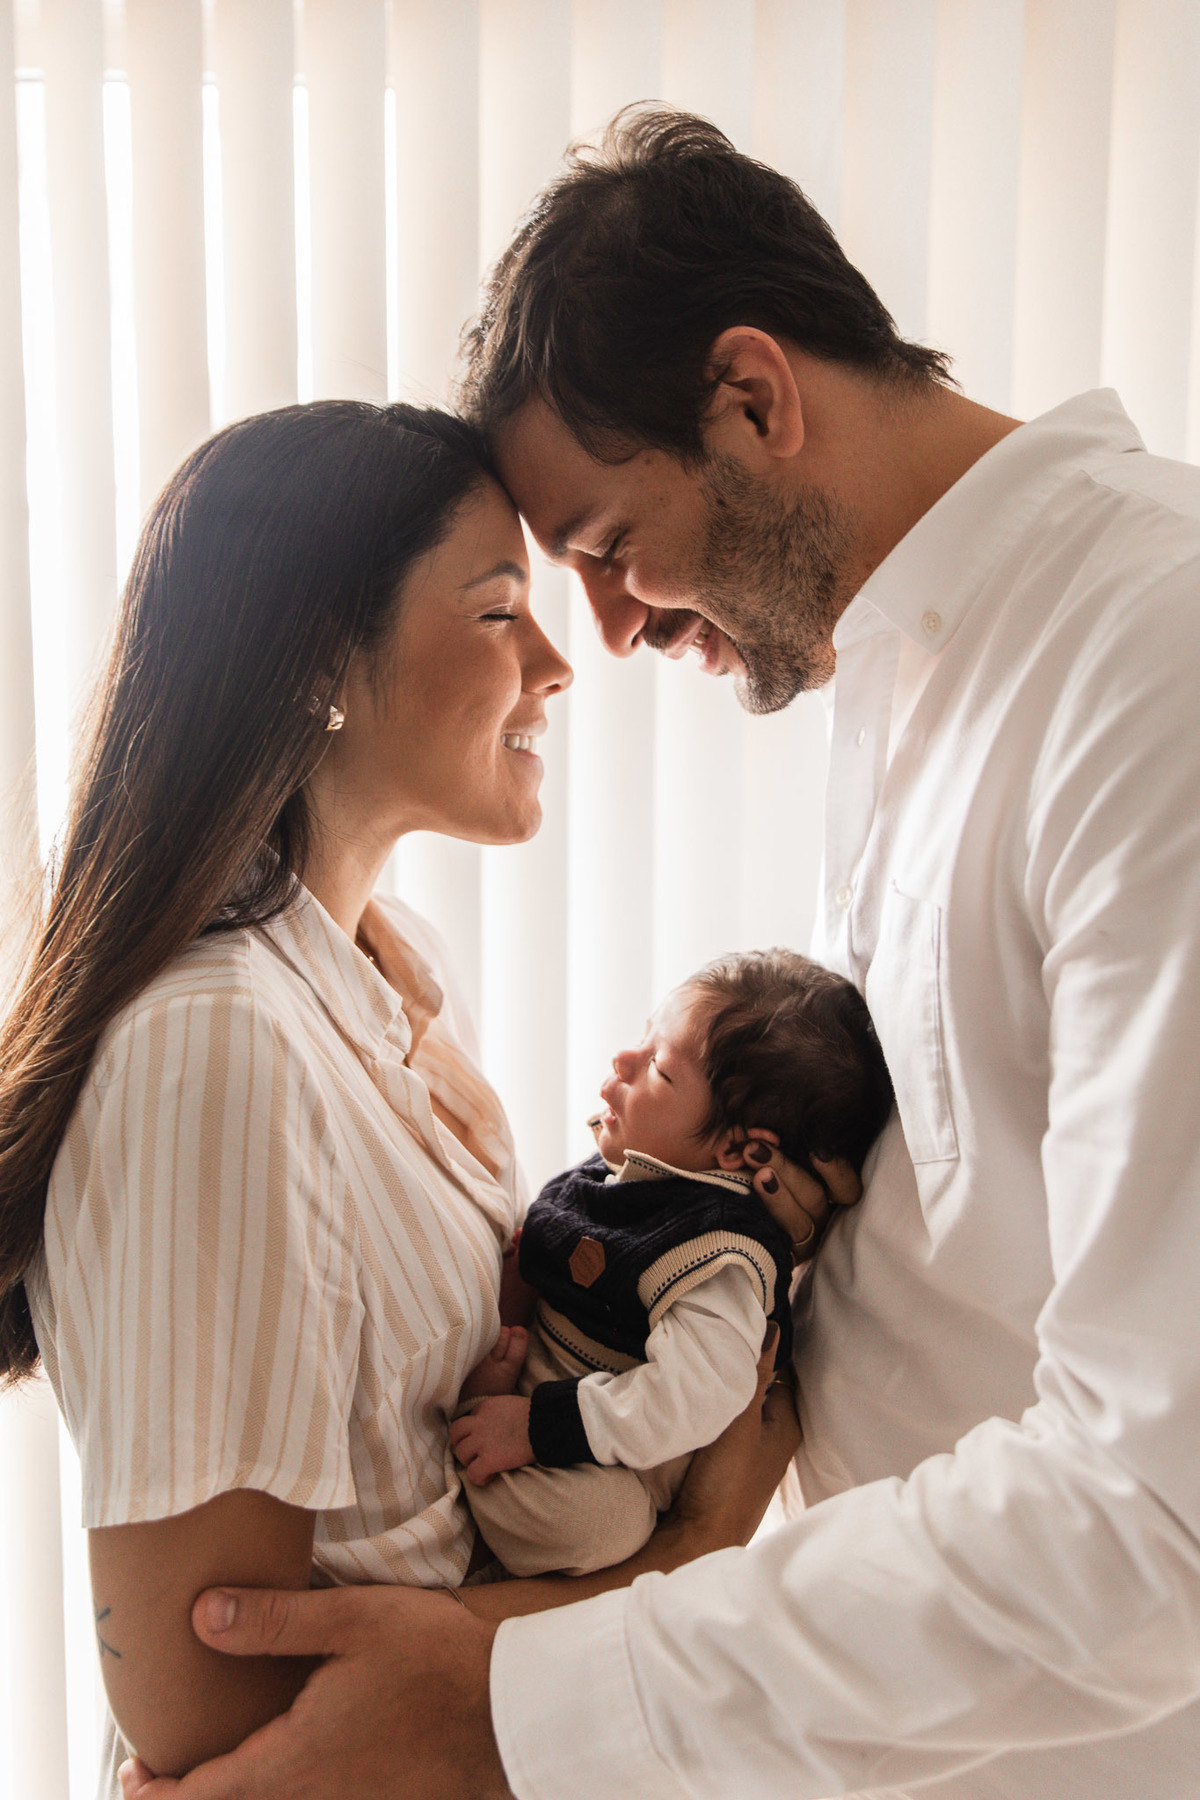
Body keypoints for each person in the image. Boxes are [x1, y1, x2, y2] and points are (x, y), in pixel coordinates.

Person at [120, 106, 1200, 1800]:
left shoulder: (1153, 661)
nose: (606, 637)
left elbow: (1164, 1508)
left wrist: (517, 1707)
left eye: (609, 551)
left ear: (754, 398)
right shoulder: (921, 681)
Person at [0, 398, 828, 1791]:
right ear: (323, 656)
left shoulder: (393, 979)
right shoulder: (219, 1048)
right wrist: (690, 1557)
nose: (557, 663)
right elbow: (209, 1705)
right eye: (501, 611)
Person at [452, 950, 893, 1578]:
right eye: (643, 1037)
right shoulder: (637, 1173)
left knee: (602, 1527)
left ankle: (477, 1439)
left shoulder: (719, 1258)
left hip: (607, 1458)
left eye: (658, 1069)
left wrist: (537, 1426)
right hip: (543, 1395)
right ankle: (483, 1434)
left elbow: (691, 1397)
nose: (623, 1061)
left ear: (740, 1149)